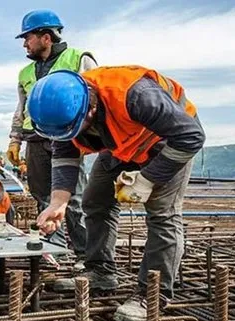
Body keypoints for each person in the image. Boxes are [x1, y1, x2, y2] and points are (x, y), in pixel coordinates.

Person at [28, 66, 205, 321]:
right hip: (122, 144)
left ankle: (153, 295)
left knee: (162, 215)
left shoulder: (136, 95)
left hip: (168, 142)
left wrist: (147, 180)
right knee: (95, 200)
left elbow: (191, 136)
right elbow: (64, 152)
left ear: (91, 108)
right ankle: (100, 272)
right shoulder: (63, 112)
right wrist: (59, 201)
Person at [6, 9, 95, 269]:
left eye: (28, 37)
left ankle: (84, 255)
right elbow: (20, 108)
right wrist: (15, 139)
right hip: (35, 139)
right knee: (43, 197)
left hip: (69, 137)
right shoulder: (25, 73)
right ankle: (55, 251)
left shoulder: (78, 59)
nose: (25, 43)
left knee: (75, 198)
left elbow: (95, 97)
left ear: (46, 37)